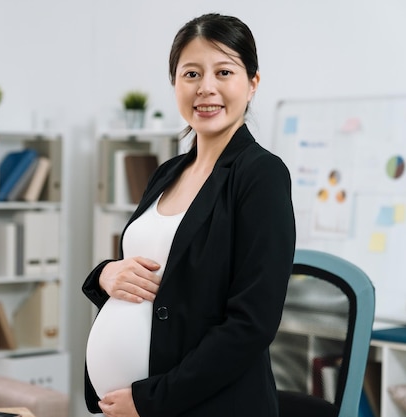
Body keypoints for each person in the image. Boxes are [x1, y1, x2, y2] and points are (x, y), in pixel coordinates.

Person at [83, 13, 296, 417]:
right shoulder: (167, 172)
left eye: (224, 71)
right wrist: (104, 274)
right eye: (192, 74)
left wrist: (152, 399)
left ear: (252, 83)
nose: (206, 88)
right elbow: (154, 274)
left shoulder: (261, 175)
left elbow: (252, 324)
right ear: (175, 83)